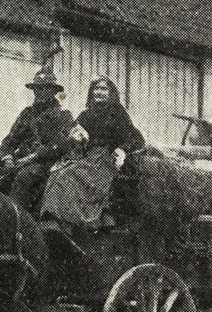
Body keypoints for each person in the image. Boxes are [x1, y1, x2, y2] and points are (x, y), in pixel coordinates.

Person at [41, 78, 144, 231]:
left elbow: (136, 138)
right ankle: (56, 220)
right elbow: (74, 138)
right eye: (96, 88)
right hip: (86, 158)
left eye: (104, 89)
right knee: (58, 173)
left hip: (106, 159)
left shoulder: (117, 113)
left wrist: (122, 150)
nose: (99, 92)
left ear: (111, 93)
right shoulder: (85, 115)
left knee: (67, 176)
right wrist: (76, 137)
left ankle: (72, 220)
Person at [0, 65, 74, 212]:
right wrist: (7, 157)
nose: (39, 92)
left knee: (24, 177)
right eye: (37, 89)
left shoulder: (63, 116)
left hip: (45, 164)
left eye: (44, 88)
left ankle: (16, 222)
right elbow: (9, 140)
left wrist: (32, 157)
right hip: (19, 161)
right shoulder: (27, 114)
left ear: (53, 92)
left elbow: (62, 145)